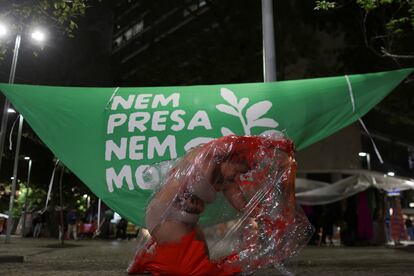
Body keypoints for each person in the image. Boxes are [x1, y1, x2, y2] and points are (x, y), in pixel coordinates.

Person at [127, 135, 296, 275]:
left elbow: (243, 205)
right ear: (231, 157)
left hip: (186, 222)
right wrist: (268, 147)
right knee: (194, 269)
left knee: (202, 254)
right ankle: (151, 257)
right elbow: (228, 144)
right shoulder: (208, 156)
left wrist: (262, 214)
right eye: (237, 171)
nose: (237, 176)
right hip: (166, 216)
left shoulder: (227, 180)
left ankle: (153, 255)